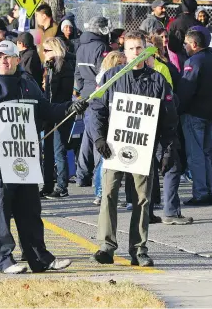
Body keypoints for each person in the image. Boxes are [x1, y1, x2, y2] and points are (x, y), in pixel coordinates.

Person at [0, 39, 86, 274]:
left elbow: (47, 110)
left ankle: (40, 259)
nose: (3, 61)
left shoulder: (28, 84)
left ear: (17, 59)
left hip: (25, 161)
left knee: (30, 212)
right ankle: (3, 260)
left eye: (7, 56)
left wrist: (69, 108)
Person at [90, 31, 178, 266]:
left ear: (147, 49)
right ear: (124, 51)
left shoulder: (158, 81)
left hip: (144, 149)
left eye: (140, 48)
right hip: (113, 147)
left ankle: (139, 249)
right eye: (131, 49)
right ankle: (107, 246)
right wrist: (98, 138)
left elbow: (169, 120)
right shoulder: (111, 77)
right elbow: (96, 110)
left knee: (142, 198)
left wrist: (167, 150)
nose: (136, 53)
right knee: (108, 194)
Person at [178, 29, 212, 206]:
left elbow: (187, 88)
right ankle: (210, 190)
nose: (185, 47)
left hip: (194, 113)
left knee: (195, 156)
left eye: (186, 43)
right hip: (210, 114)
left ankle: (201, 193)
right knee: (206, 154)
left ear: (194, 44)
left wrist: (178, 108)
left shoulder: (194, 61)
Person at [75, 16, 111, 187]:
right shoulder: (101, 46)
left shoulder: (81, 47)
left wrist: (81, 92)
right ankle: (99, 179)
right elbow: (102, 73)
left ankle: (82, 175)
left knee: (88, 137)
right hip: (98, 94)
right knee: (98, 136)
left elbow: (78, 75)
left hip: (85, 95)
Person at [41, 37, 76, 199]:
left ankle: (62, 186)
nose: (44, 53)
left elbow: (62, 92)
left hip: (62, 110)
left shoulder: (65, 66)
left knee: (58, 149)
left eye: (46, 50)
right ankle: (47, 184)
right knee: (47, 149)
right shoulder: (50, 66)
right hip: (49, 110)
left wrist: (53, 72)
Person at [93, 51, 126, 206]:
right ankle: (100, 192)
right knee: (105, 159)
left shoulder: (105, 76)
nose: (123, 66)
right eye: (119, 63)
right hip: (107, 122)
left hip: (112, 121)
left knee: (106, 159)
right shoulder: (108, 77)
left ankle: (101, 192)